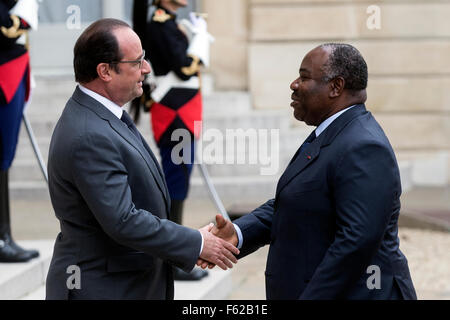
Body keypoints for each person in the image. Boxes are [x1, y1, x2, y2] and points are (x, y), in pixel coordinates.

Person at [202, 43, 417, 300]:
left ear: (335, 87)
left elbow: (355, 244)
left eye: (304, 77)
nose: (294, 85)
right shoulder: (331, 133)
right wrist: (237, 233)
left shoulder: (364, 146)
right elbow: (296, 201)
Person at [45, 18, 239, 300]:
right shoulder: (89, 134)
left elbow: (139, 204)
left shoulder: (107, 114)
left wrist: (191, 239)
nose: (147, 69)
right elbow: (123, 220)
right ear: (105, 71)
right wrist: (196, 243)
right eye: (137, 62)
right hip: (101, 288)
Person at [131, 0, 212, 281]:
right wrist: (200, 42)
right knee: (175, 183)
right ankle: (173, 257)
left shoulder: (168, 22)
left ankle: (173, 255)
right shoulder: (160, 24)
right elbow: (183, 68)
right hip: (175, 113)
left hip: (182, 112)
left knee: (178, 181)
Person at [0, 0, 39, 262]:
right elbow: (5, 26)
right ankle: (2, 238)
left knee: (4, 157)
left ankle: (4, 235)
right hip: (4, 68)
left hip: (12, 67)